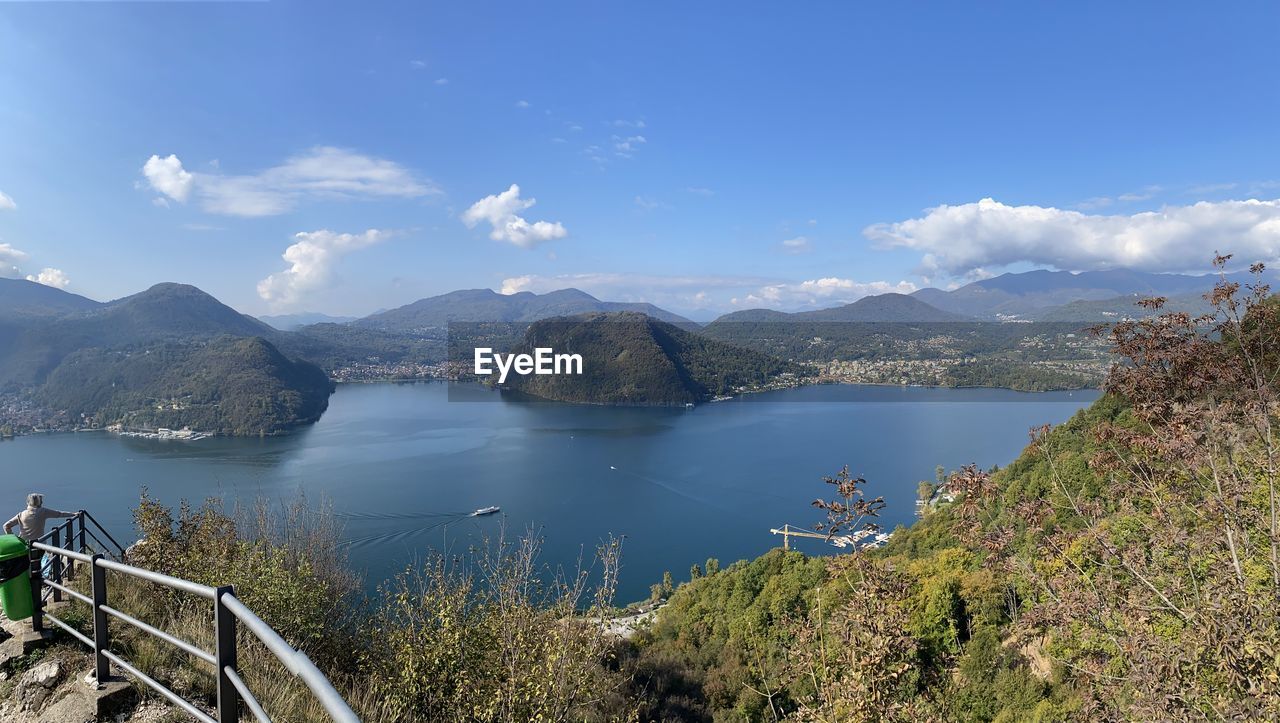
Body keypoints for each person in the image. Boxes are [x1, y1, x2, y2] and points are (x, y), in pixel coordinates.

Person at [3, 493, 78, 542]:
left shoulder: (21, 514)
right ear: (39, 502)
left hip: (24, 544)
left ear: (27, 502)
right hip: (39, 544)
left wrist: (15, 540)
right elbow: (59, 514)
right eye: (41, 501)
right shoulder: (43, 512)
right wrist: (73, 514)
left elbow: (6, 526)